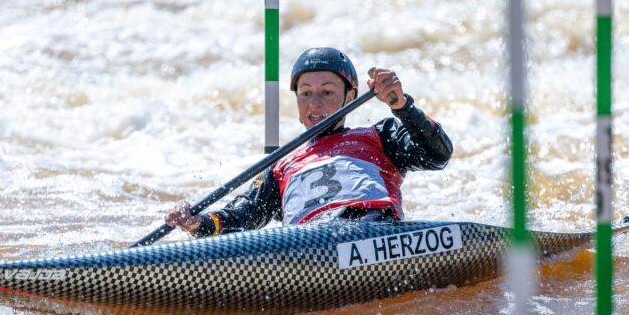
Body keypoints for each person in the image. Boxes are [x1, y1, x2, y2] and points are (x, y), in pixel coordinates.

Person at [165, 47, 453, 237]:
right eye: (305, 93)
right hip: (306, 246)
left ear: (349, 97)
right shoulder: (280, 165)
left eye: (327, 92)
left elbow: (438, 155)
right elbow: (241, 217)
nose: (314, 104)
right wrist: (198, 222)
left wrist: (401, 105)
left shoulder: (380, 136)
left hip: (373, 231)